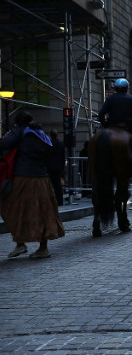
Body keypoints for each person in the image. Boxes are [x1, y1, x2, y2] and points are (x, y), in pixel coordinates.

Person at [0, 111, 65, 259]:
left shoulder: (18, 132)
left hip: (23, 177)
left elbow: (3, 144)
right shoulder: (41, 134)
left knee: (11, 207)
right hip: (42, 179)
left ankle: (20, 242)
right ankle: (42, 248)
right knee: (43, 212)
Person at [98, 78, 132, 168]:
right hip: (128, 128)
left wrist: (105, 124)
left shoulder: (110, 98)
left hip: (112, 127)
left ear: (115, 88)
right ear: (126, 88)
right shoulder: (131, 99)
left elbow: (101, 113)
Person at [47, 129, 66, 206]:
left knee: (49, 185)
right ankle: (59, 201)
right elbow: (63, 157)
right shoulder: (61, 144)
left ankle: (50, 201)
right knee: (58, 185)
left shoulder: (48, 144)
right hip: (58, 167)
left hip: (49, 166)